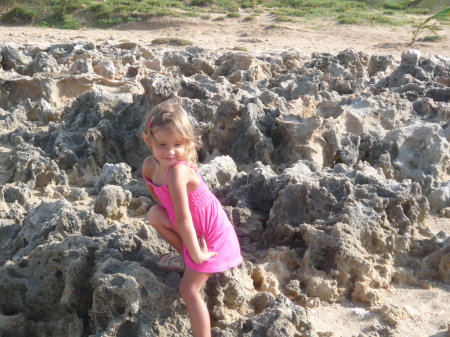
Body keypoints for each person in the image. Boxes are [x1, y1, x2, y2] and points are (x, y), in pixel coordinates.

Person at [141, 99, 243, 337]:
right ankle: (188, 259)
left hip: (212, 237)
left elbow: (184, 218)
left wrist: (198, 252)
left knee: (188, 290)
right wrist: (191, 251)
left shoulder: (178, 171)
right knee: (154, 215)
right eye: (163, 144)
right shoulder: (149, 166)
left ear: (188, 143)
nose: (170, 151)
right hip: (191, 231)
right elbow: (163, 203)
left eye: (178, 144)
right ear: (148, 140)